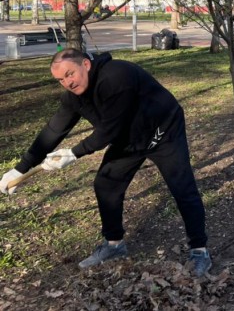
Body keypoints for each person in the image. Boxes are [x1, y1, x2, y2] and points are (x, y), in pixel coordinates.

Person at [0, 49, 212, 276]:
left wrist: (74, 153)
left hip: (163, 132)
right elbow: (53, 130)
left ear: (86, 65)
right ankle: (114, 245)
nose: (67, 83)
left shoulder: (116, 76)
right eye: (60, 80)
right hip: (128, 140)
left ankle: (200, 251)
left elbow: (109, 129)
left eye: (70, 74)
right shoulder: (74, 97)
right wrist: (19, 168)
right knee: (106, 185)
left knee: (182, 188)